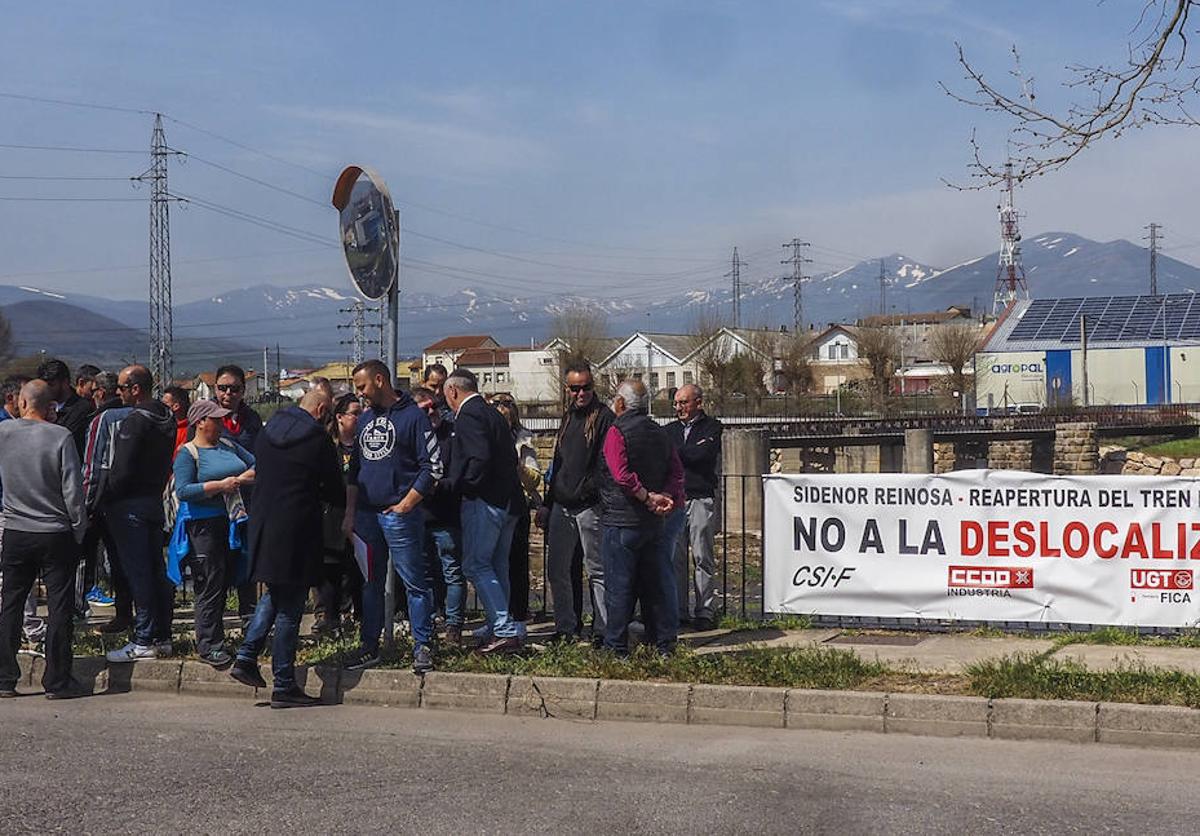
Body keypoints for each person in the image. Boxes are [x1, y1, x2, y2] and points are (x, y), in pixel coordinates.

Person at [231, 389, 344, 708]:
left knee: (275, 594)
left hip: (264, 523)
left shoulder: (268, 432)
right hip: (297, 526)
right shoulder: (316, 439)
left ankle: (246, 656)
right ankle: (283, 684)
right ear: (321, 409)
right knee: (291, 608)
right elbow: (334, 486)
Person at [342, 359, 437, 673]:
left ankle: (423, 645)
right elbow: (354, 471)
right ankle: (369, 644)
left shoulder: (413, 417)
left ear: (379, 380)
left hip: (399, 515)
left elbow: (432, 467)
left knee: (415, 583)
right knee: (370, 583)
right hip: (368, 516)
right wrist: (351, 513)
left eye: (362, 387)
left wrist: (407, 503)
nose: (360, 395)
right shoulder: (366, 419)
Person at [83, 365, 177, 662]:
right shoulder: (166, 417)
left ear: (136, 389)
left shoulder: (135, 422)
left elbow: (120, 471)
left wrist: (105, 498)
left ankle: (144, 637)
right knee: (156, 571)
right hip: (153, 499)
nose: (118, 393)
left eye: (122, 387)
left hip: (128, 505)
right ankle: (162, 634)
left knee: (139, 574)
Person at [0, 381, 88, 698]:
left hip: (16, 528)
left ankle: (5, 677)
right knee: (59, 606)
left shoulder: (4, 434)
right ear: (48, 405)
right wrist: (79, 528)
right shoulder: (60, 436)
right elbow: (73, 491)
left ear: (23, 402)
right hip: (55, 531)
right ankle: (58, 680)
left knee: (11, 603)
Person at [597, 379, 683, 656]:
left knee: (619, 587)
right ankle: (664, 644)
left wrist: (646, 496)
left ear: (620, 403)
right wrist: (665, 498)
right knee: (655, 585)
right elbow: (676, 472)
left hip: (622, 519)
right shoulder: (661, 433)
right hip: (653, 522)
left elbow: (620, 474)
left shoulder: (616, 431)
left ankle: (616, 647)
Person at [168, 401, 256, 668]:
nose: (221, 424)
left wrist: (240, 480)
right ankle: (209, 644)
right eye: (215, 420)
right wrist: (220, 485)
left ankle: (246, 633)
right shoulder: (188, 454)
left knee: (237, 575)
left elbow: (256, 465)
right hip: (203, 526)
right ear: (200, 423)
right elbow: (183, 490)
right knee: (210, 583)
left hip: (233, 520)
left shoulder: (229, 445)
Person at [444, 369, 523, 653]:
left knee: (476, 564)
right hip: (508, 501)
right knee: (496, 564)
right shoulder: (492, 414)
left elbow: (479, 457)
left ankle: (502, 628)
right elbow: (510, 456)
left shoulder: (468, 415)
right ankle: (497, 623)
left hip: (485, 501)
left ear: (453, 391)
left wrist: (462, 485)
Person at [538, 362, 614, 645]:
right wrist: (547, 502)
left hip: (589, 505)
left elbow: (606, 464)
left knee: (597, 571)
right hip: (561, 504)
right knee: (557, 570)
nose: (581, 393)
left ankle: (602, 629)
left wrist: (587, 489)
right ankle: (566, 627)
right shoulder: (568, 418)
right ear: (567, 389)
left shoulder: (604, 417)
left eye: (586, 387)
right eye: (575, 388)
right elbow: (557, 462)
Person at [665, 384, 723, 630]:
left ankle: (705, 610)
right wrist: (688, 451)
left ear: (698, 403)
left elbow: (703, 456)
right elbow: (671, 456)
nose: (679, 408)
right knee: (675, 557)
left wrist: (678, 453)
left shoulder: (713, 427)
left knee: (702, 556)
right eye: (676, 403)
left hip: (700, 498)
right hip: (676, 500)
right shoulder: (668, 430)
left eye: (684, 403)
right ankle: (678, 610)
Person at [411, 386, 465, 645]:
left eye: (435, 406)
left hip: (446, 516)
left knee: (452, 572)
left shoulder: (450, 436)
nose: (433, 411)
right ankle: (429, 622)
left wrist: (435, 485)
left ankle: (453, 626)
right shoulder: (412, 438)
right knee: (424, 575)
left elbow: (457, 476)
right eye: (425, 409)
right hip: (419, 517)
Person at [211, 364, 263, 625]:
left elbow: (261, 459)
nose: (228, 393)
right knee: (216, 566)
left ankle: (248, 621)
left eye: (234, 388)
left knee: (245, 561)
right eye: (222, 388)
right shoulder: (205, 418)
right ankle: (213, 626)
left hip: (247, 502)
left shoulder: (252, 420)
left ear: (243, 391)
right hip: (214, 504)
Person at [493, 395, 542, 625]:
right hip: (492, 504)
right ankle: (498, 613)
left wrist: (519, 466)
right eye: (496, 405)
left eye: (507, 405)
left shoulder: (523, 440)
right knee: (493, 563)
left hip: (516, 504)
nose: (502, 409)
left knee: (517, 562)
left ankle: (518, 613)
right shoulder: (485, 437)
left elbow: (534, 480)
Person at [38, 358, 95, 456]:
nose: (46, 389)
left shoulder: (82, 408)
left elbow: (64, 437)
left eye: (51, 385)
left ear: (65, 382)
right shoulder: (40, 406)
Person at [161, 386, 191, 456]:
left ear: (176, 406)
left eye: (165, 403)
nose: (161, 406)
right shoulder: (162, 426)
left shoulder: (190, 432)